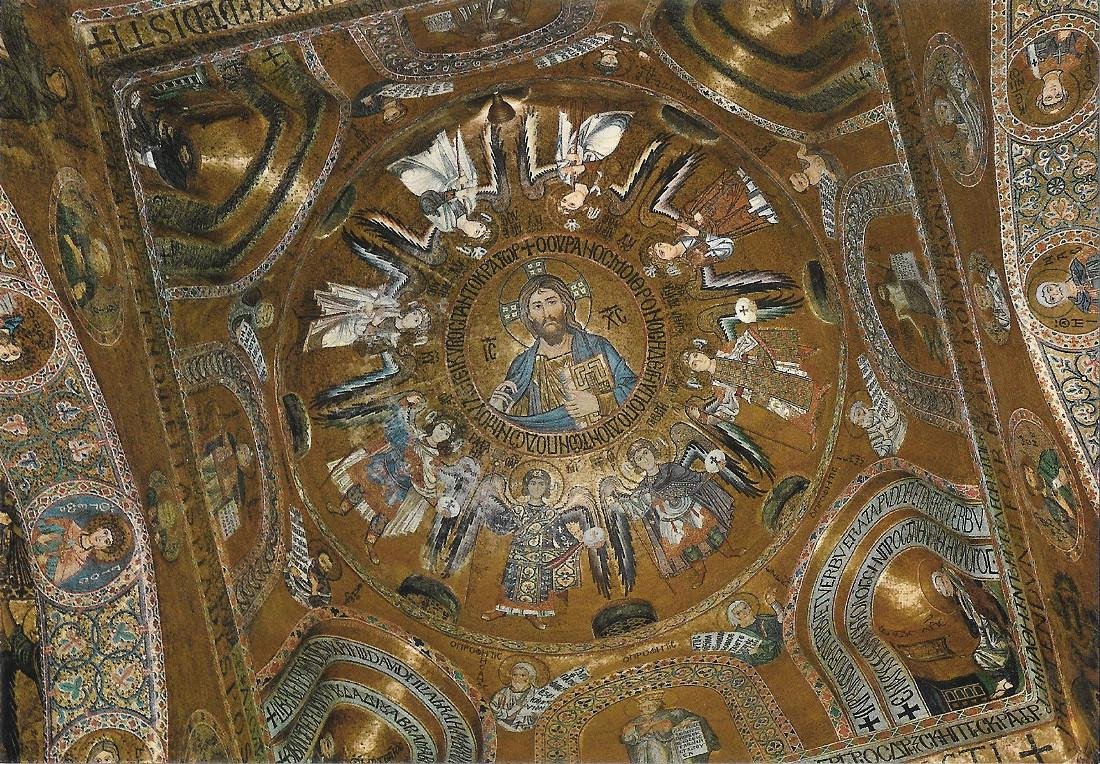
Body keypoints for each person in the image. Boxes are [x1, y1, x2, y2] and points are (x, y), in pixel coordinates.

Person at [489, 274, 636, 431]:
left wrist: (598, 403)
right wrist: (497, 410)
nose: (547, 313)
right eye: (537, 306)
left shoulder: (596, 347)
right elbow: (516, 425)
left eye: (552, 302)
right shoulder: (521, 366)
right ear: (529, 315)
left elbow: (634, 388)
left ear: (565, 305)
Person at [615, 439, 735, 590]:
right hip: (669, 518)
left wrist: (713, 468)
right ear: (636, 465)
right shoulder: (643, 486)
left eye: (645, 452)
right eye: (639, 458)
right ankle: (701, 571)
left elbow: (694, 478)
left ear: (653, 451)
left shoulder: (671, 469)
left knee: (710, 530)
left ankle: (729, 551)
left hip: (688, 507)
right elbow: (636, 508)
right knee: (685, 546)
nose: (645, 459)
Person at [482, 469, 584, 629]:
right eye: (533, 483)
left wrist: (584, 541)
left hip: (541, 559)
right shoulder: (518, 510)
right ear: (526, 486)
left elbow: (563, 537)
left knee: (539, 588)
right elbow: (501, 527)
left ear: (547, 488)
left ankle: (533, 614)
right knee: (510, 583)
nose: (537, 487)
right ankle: (501, 609)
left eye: (541, 484)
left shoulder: (551, 514)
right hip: (518, 557)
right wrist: (486, 509)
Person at [646, 169, 777, 275]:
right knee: (765, 197)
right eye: (662, 253)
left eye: (660, 244)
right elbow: (727, 248)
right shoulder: (694, 258)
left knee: (749, 180)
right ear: (668, 261)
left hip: (721, 200)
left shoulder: (678, 232)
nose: (664, 247)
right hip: (733, 218)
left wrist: (694, 213)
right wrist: (699, 234)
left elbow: (686, 210)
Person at [931, 567, 1018, 700]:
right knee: (980, 655)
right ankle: (1002, 681)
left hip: (988, 622)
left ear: (947, 579)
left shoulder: (965, 590)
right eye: (939, 588)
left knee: (998, 645)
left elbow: (983, 605)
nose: (943, 590)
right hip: (982, 628)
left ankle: (1009, 679)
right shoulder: (958, 599)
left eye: (942, 584)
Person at [388, 129, 490, 239]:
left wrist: (454, 195)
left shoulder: (446, 225)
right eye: (481, 226)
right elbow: (465, 185)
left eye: (477, 232)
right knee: (435, 146)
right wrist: (460, 182)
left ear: (467, 236)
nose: (477, 227)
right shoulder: (470, 205)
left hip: (428, 185)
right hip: (445, 173)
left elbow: (426, 202)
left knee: (408, 174)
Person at [303, 283, 431, 351]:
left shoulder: (392, 339)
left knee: (322, 333)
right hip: (352, 311)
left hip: (352, 331)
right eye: (414, 313)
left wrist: (373, 324)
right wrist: (375, 299)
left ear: (414, 328)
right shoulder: (393, 307)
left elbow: (364, 348)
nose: (411, 317)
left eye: (416, 321)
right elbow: (377, 298)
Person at [0, 0, 70, 123]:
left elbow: (10, 91)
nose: (59, 81)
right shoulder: (37, 61)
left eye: (62, 87)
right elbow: (20, 38)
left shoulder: (42, 109)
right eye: (61, 75)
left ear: (61, 98)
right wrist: (13, 9)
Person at [554, 110, 632, 214]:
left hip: (585, 137)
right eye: (572, 204)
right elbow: (615, 166)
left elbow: (562, 149)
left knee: (610, 125)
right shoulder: (599, 187)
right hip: (604, 147)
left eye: (565, 200)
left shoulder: (566, 176)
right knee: (617, 128)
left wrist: (569, 156)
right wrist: (585, 167)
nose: (571, 198)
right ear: (583, 206)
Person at [32, 513, 129, 587]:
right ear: (99, 528)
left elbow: (51, 576)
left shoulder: (76, 563)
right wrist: (39, 537)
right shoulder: (69, 525)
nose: (101, 538)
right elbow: (37, 525)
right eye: (105, 532)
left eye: (106, 541)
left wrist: (43, 558)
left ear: (102, 548)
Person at [620, 691, 719, 763]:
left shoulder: (673, 713)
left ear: (657, 704)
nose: (648, 708)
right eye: (644, 707)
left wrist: (685, 724)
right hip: (642, 753)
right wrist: (641, 729)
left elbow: (696, 720)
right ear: (640, 708)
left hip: (667, 751)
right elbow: (627, 738)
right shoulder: (634, 722)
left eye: (651, 705)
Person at [1026, 30, 1089, 116]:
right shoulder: (1073, 62)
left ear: (1041, 95)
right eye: (1058, 95)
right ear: (1063, 90)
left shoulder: (1034, 67)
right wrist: (1070, 30)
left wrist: (1055, 35)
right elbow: (1083, 33)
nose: (1053, 91)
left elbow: (1030, 37)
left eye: (1048, 97)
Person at [724, 592, 784, 666]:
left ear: (749, 607)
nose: (744, 612)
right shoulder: (737, 637)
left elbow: (782, 623)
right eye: (738, 613)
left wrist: (774, 604)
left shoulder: (764, 619)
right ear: (734, 618)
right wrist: (750, 653)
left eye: (745, 608)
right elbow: (738, 661)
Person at [490, 661, 542, 728]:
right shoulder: (503, 693)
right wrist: (507, 713)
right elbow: (492, 710)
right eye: (515, 675)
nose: (518, 678)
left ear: (530, 678)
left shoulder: (537, 694)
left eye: (523, 675)